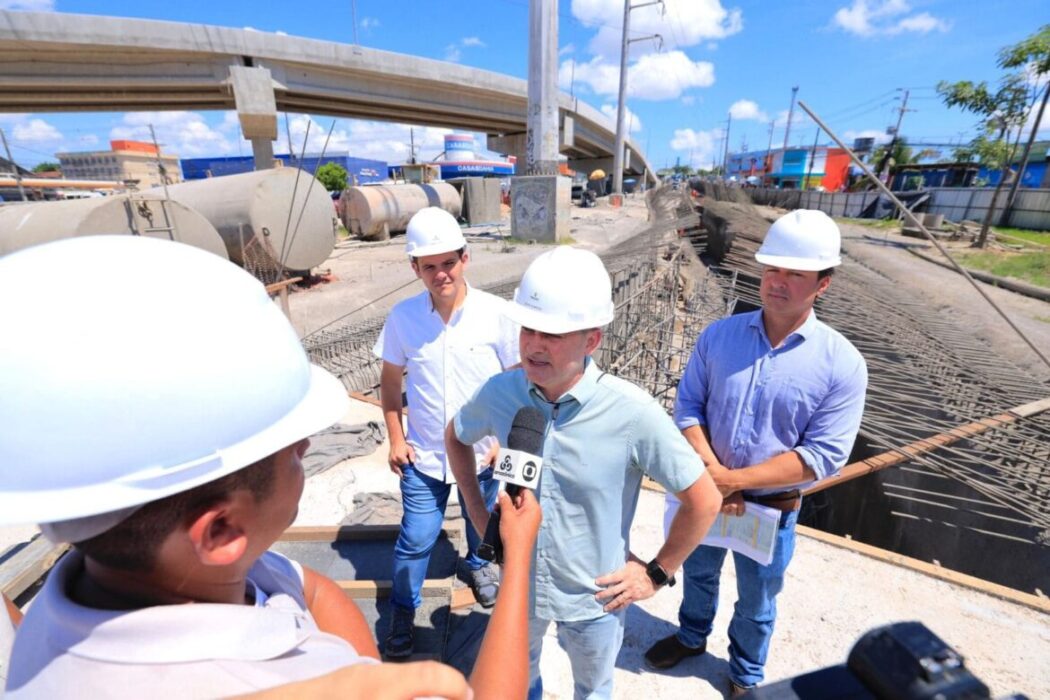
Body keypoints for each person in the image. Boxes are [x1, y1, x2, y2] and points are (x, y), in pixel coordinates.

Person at [0, 235, 538, 699]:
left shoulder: (96, 594)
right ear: (221, 530)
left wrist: (357, 669)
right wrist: (519, 564)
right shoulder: (282, 675)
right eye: (292, 450)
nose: (306, 448)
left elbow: (310, 590)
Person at [445, 247, 723, 700]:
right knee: (518, 682)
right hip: (519, 585)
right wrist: (479, 516)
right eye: (528, 328)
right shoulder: (500, 392)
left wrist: (655, 574)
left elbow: (705, 500)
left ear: (591, 341)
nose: (534, 344)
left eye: (552, 334)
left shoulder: (632, 414)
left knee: (592, 690)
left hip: (594, 600)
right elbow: (455, 436)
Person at [643, 210, 868, 697]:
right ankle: (691, 636)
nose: (777, 282)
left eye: (794, 274)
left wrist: (734, 481)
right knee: (699, 572)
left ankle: (745, 674)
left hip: (769, 508)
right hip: (706, 492)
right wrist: (714, 475)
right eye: (772, 269)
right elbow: (687, 408)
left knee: (758, 597)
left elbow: (821, 455)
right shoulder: (719, 336)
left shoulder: (842, 364)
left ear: (822, 284)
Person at [374, 206, 520, 659]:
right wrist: (396, 439)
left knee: (485, 525)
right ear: (414, 268)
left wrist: (505, 444)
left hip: (483, 455)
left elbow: (518, 384)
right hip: (425, 456)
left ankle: (479, 567)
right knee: (417, 536)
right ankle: (403, 608)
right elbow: (392, 382)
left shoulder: (497, 315)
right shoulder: (403, 319)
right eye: (429, 266)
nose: (441, 274)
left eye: (448, 263)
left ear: (465, 258)